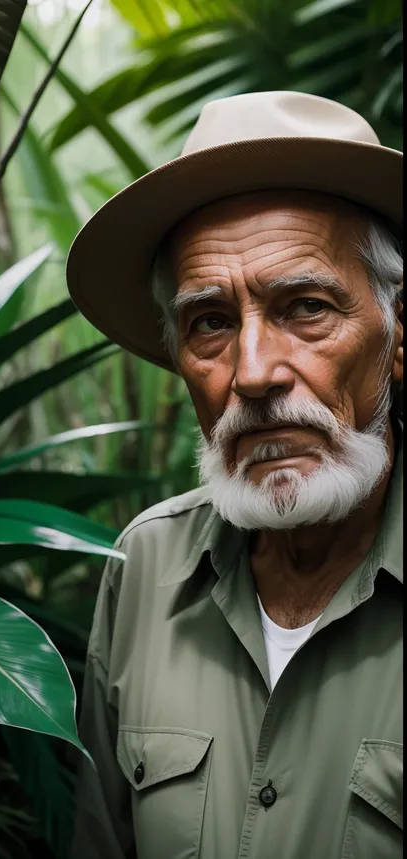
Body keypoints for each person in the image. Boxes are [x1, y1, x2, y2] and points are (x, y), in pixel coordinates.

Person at [67, 91, 403, 859]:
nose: (252, 374)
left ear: (397, 331)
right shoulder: (144, 568)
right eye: (211, 322)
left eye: (306, 307)